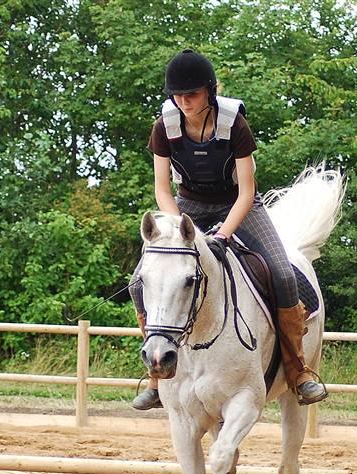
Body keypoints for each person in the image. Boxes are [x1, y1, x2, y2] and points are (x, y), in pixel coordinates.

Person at [130, 49, 327, 410]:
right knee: (139, 279)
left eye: (191, 95)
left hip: (240, 206)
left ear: (209, 92)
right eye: (178, 95)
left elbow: (247, 191)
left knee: (282, 273)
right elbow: (162, 189)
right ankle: (158, 375)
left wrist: (222, 237)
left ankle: (298, 372)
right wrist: (178, 228)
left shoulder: (233, 123)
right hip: (187, 207)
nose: (184, 102)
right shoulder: (164, 126)